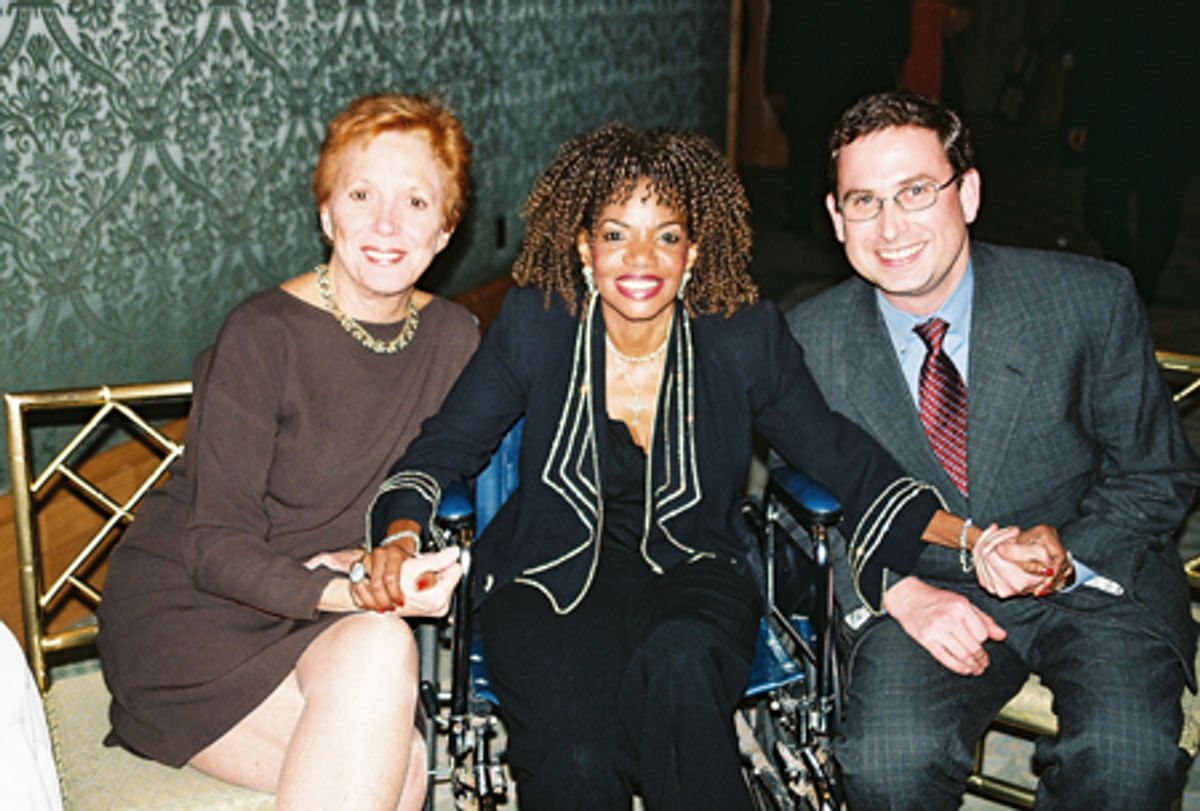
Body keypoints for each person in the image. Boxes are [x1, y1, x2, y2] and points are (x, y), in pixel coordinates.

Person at [360, 122, 1059, 811]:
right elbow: (446, 446)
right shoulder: (536, 321)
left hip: (697, 568)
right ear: (583, 247)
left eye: (666, 234)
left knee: (683, 663)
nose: (641, 257)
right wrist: (398, 534)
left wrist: (972, 537)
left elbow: (839, 455)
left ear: (693, 252)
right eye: (615, 234)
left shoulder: (742, 331)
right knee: (576, 759)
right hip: (550, 575)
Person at [788, 89, 1200, 810]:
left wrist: (1068, 552)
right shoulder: (806, 342)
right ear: (835, 217)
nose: (891, 227)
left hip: (1093, 579)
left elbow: (1156, 472)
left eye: (916, 191)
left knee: (1124, 757)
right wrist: (896, 591)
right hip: (925, 587)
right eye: (864, 201)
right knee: (886, 763)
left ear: (968, 192)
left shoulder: (1087, 299)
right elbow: (791, 506)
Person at [96, 93, 477, 810]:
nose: (386, 223)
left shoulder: (456, 338)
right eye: (361, 194)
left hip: (328, 610)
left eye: (416, 202)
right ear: (327, 211)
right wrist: (353, 588)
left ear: (446, 227)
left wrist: (391, 553)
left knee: (403, 765)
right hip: (195, 613)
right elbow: (212, 546)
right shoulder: (263, 333)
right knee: (394, 747)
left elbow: (446, 475)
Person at [1059, 0, 1200, 305]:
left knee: (1159, 202)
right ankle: (1128, 270)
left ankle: (1142, 283)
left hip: (1176, 115)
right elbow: (1098, 46)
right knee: (1104, 205)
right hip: (1122, 111)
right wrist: (1081, 114)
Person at [766, 0, 910, 234]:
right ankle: (804, 214)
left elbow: (898, 34)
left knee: (851, 150)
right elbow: (782, 29)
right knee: (810, 148)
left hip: (847, 77)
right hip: (825, 76)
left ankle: (822, 214)